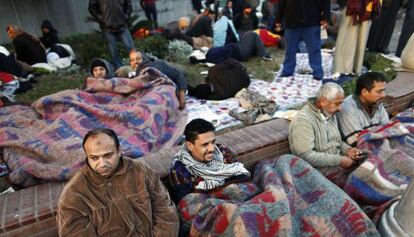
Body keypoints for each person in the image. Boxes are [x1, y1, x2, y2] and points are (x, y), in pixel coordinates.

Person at [57, 128, 179, 236]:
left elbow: (165, 211)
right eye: (94, 158)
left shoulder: (141, 172)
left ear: (119, 151)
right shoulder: (74, 193)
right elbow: (74, 233)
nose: (102, 164)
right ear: (87, 156)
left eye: (108, 155)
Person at [169, 118, 251, 203]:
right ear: (190, 146)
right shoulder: (179, 170)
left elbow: (243, 177)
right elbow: (188, 205)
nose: (212, 148)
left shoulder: (222, 151)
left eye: (213, 142)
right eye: (205, 144)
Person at [289, 82, 365, 170]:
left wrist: (348, 150)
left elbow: (336, 141)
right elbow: (306, 156)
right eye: (337, 103)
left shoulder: (328, 113)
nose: (340, 108)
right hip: (316, 171)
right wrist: (339, 160)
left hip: (336, 163)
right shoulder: (303, 120)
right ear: (323, 101)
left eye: (341, 103)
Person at [275, 0, 330, 80]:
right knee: (290, 50)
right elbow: (281, 2)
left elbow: (325, 2)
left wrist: (326, 17)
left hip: (312, 20)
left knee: (314, 49)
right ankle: (287, 71)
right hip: (291, 20)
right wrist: (278, 18)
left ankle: (318, 72)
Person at [337, 72, 389, 146]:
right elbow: (357, 142)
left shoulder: (376, 103)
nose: (383, 95)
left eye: (384, 90)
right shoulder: (347, 109)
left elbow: (388, 130)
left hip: (379, 143)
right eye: (379, 91)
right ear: (364, 92)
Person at [333, 0, 381, 75]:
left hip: (367, 8)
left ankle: (355, 66)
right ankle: (343, 68)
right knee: (348, 37)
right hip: (353, 7)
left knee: (361, 38)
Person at [88, 0, 135, 69]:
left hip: (122, 25)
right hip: (107, 27)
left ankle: (137, 66)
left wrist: (126, 16)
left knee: (130, 47)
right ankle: (120, 69)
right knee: (113, 51)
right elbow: (92, 7)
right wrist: (101, 18)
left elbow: (129, 4)